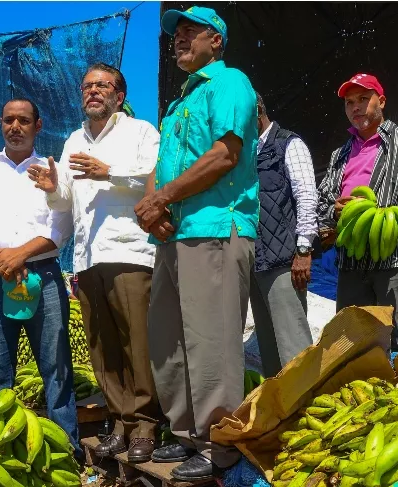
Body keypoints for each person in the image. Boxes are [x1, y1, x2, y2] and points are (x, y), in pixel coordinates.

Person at [135, 6, 258, 480]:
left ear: (217, 41)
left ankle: (219, 444)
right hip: (174, 235)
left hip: (215, 228)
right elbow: (161, 168)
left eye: (190, 31)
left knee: (211, 340)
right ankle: (188, 435)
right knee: (168, 339)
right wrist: (152, 208)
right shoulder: (175, 104)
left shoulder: (229, 84)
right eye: (175, 33)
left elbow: (225, 154)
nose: (179, 39)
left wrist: (163, 197)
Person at [28, 63, 162, 463]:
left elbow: (157, 179)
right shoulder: (73, 140)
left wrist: (110, 173)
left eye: (103, 86)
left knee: (137, 342)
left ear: (119, 96)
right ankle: (120, 422)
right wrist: (54, 190)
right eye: (87, 86)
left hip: (130, 252)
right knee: (101, 348)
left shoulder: (141, 132)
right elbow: (67, 202)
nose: (93, 92)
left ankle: (146, 425)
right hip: (87, 257)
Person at [0, 98, 81, 456]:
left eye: (23, 120)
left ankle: (65, 448)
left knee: (56, 364)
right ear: (1, 124)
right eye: (9, 120)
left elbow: (61, 226)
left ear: (37, 126)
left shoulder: (51, 169)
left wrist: (20, 255)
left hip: (44, 275)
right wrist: (1, 258)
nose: (15, 126)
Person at [317, 73, 398, 351]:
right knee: (351, 339)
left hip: (395, 258)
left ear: (380, 101)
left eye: (363, 99)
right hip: (351, 261)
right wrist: (334, 211)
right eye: (349, 103)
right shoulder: (340, 154)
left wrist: (390, 217)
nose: (355, 107)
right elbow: (322, 200)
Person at [251, 93, 315, 376]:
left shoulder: (288, 143)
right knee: (269, 349)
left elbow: (306, 197)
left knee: (294, 345)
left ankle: (307, 408)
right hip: (255, 262)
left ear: (257, 111)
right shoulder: (243, 153)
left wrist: (303, 250)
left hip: (283, 262)